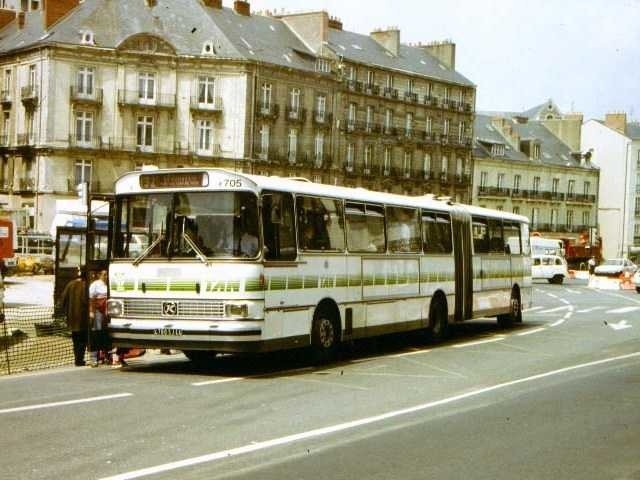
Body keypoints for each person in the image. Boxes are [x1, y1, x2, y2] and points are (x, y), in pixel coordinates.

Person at [57, 268, 88, 367]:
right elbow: (87, 301)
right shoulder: (85, 285)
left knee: (75, 340)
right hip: (83, 318)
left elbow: (63, 299)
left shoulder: (70, 284)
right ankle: (80, 359)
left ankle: (77, 359)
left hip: (72, 318)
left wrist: (63, 313)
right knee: (82, 340)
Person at [89, 270, 109, 367]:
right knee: (96, 332)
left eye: (106, 274)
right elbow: (91, 298)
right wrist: (92, 312)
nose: (106, 276)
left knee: (106, 333)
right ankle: (94, 357)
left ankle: (106, 356)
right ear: (99, 275)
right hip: (98, 311)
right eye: (104, 274)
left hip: (108, 312)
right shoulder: (95, 284)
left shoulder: (108, 284)